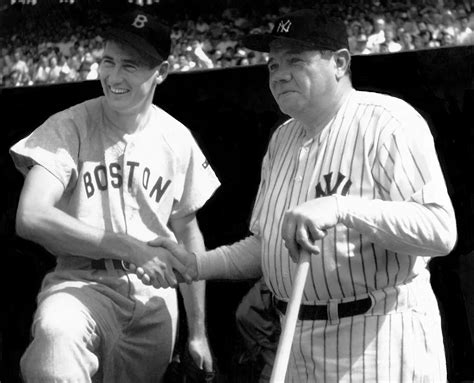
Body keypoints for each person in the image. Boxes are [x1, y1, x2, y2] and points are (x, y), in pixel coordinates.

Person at [149, 8, 457, 382]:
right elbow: (265, 248)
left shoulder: (388, 121)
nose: (279, 75)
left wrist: (342, 207)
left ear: (340, 63)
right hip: (297, 339)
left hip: (379, 334)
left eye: (295, 60)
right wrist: (194, 265)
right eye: (273, 65)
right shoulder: (282, 139)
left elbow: (440, 231)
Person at [10, 9, 220, 383]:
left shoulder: (177, 138)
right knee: (57, 333)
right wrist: (128, 247)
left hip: (153, 301)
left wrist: (199, 333)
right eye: (108, 61)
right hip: (82, 285)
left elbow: (188, 234)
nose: (114, 76)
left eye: (130, 65)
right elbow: (31, 216)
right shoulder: (69, 125)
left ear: (163, 71)